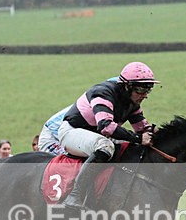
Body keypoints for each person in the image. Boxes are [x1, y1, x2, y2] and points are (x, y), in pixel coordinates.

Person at [58, 61, 158, 209]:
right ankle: (75, 195)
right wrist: (138, 138)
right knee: (105, 147)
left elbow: (142, 128)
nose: (144, 95)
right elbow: (105, 127)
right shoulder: (103, 93)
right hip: (72, 132)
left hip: (94, 136)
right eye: (140, 90)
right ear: (126, 86)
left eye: (147, 91)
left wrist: (155, 134)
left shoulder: (132, 102)